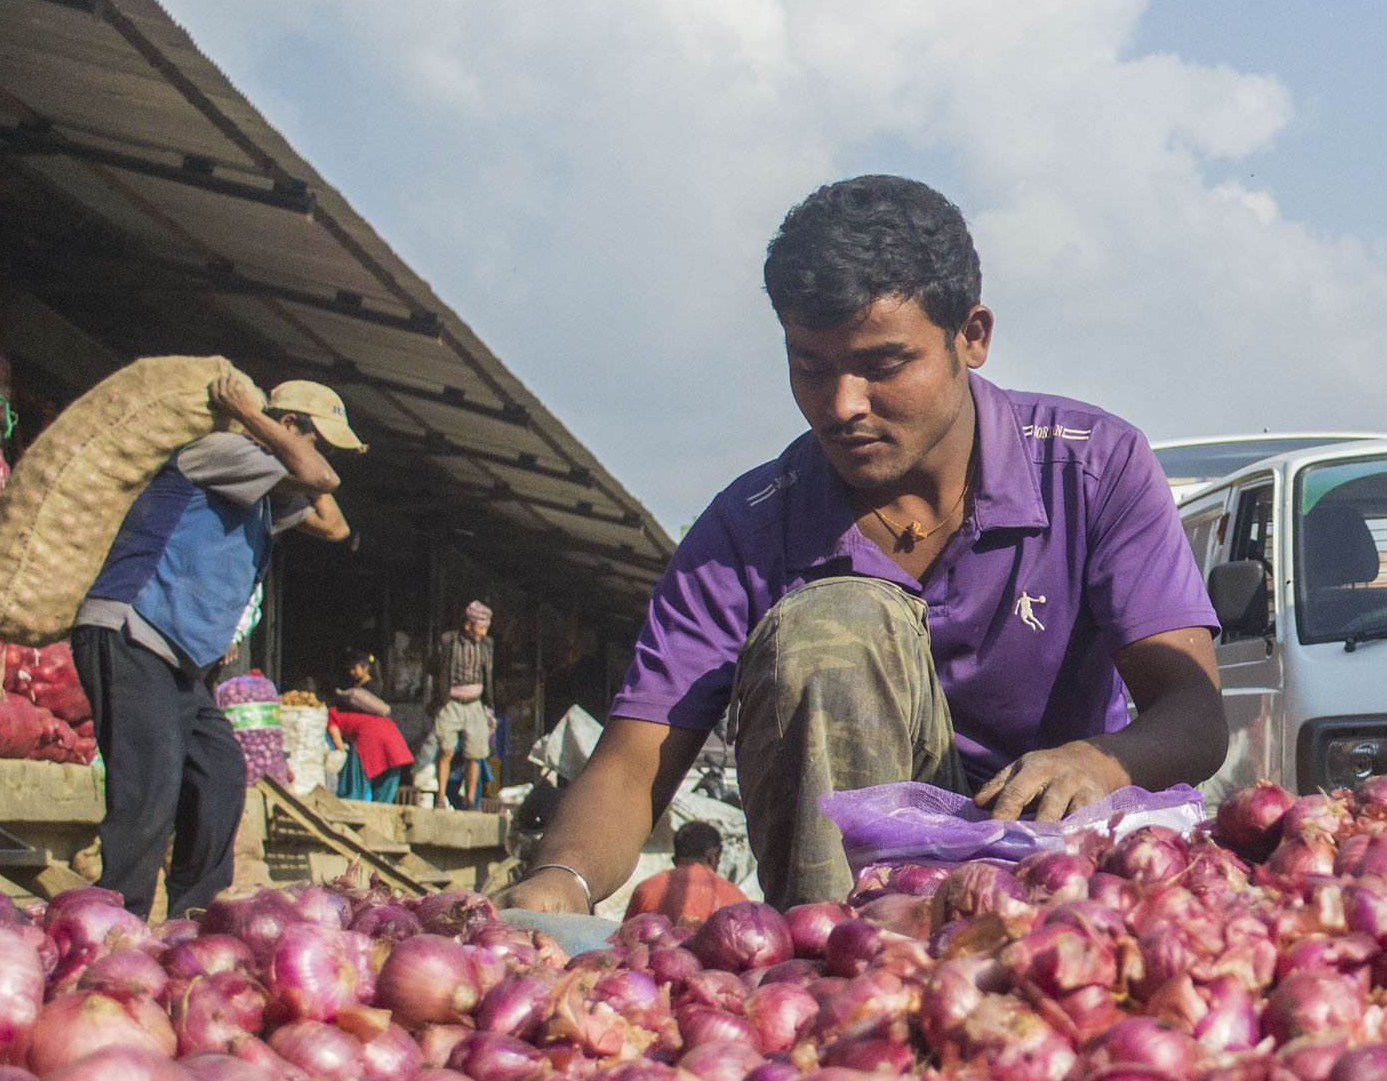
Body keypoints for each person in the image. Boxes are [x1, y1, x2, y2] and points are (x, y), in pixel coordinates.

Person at [504, 175, 1225, 913]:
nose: (843, 406)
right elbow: (632, 767)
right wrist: (561, 880)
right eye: (810, 367)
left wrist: (1097, 762)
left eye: (883, 367)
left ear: (971, 337)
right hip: (859, 915)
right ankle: (837, 976)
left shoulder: (1094, 466)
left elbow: (1195, 716)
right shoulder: (744, 531)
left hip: (1054, 893)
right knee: (832, 629)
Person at [70, 375, 357, 913]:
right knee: (149, 788)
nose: (318, 451)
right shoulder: (226, 451)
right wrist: (254, 417)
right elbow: (320, 475)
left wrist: (286, 443)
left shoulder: (268, 479)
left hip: (176, 657)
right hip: (133, 628)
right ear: (289, 424)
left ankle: (193, 918)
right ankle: (113, 921)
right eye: (315, 436)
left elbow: (333, 523)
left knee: (219, 773)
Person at [425, 601, 495, 808]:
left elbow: (488, 673)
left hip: (475, 706)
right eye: (480, 628)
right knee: (446, 750)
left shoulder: (486, 645)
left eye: (485, 629)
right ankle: (440, 797)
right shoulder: (448, 642)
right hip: (451, 703)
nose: (482, 633)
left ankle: (471, 800)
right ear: (467, 625)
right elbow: (433, 666)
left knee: (474, 755)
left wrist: (489, 706)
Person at [624, 820, 749, 926]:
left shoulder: (646, 888)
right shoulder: (736, 897)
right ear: (712, 857)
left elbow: (624, 940)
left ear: (674, 859)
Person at [325, 653, 413, 802]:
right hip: (392, 735)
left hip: (369, 736)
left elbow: (337, 742)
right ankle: (382, 809)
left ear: (366, 668)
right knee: (386, 784)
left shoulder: (332, 715)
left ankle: (352, 806)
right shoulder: (358, 701)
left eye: (355, 668)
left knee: (354, 787)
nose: (352, 672)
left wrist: (339, 757)